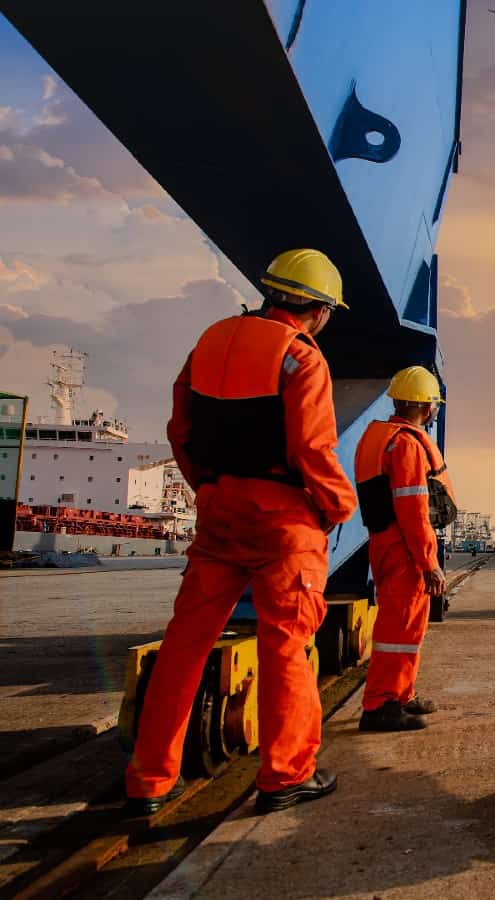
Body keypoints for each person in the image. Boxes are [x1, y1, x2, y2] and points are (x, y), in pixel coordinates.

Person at [124, 248, 357, 816]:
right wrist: (338, 506)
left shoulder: (208, 343)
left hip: (219, 510)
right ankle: (285, 776)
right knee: (287, 647)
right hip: (283, 520)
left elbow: (180, 431)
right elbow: (312, 449)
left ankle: (150, 780)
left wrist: (208, 487)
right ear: (320, 310)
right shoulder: (301, 357)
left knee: (185, 644)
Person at [354, 366, 455, 732]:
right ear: (428, 408)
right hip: (404, 548)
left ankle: (401, 693)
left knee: (405, 627)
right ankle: (380, 705)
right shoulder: (407, 446)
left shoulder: (379, 438)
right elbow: (413, 511)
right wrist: (429, 563)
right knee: (399, 630)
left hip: (387, 542)